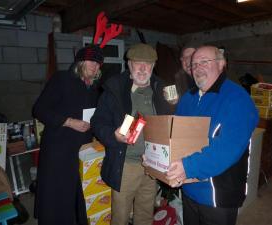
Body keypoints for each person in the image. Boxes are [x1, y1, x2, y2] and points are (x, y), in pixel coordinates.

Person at [166, 45, 259, 225]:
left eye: (204, 62)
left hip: (218, 196)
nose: (198, 67)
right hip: (188, 187)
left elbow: (227, 149)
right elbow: (176, 136)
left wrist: (187, 166)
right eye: (194, 64)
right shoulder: (188, 98)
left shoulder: (237, 99)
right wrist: (158, 155)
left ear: (221, 63)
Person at [91, 43, 171, 225]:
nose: (143, 68)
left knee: (145, 212)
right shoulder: (115, 88)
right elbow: (97, 122)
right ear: (129, 64)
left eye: (148, 63)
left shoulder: (162, 88)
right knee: (120, 215)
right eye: (138, 63)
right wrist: (113, 135)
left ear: (153, 66)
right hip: (125, 164)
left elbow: (173, 117)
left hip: (152, 163)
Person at [32, 44, 104, 225]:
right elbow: (39, 109)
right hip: (58, 149)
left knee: (76, 193)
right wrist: (69, 122)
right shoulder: (62, 79)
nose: (95, 66)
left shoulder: (93, 88)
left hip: (80, 150)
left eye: (98, 63)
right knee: (57, 196)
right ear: (80, 61)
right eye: (91, 61)